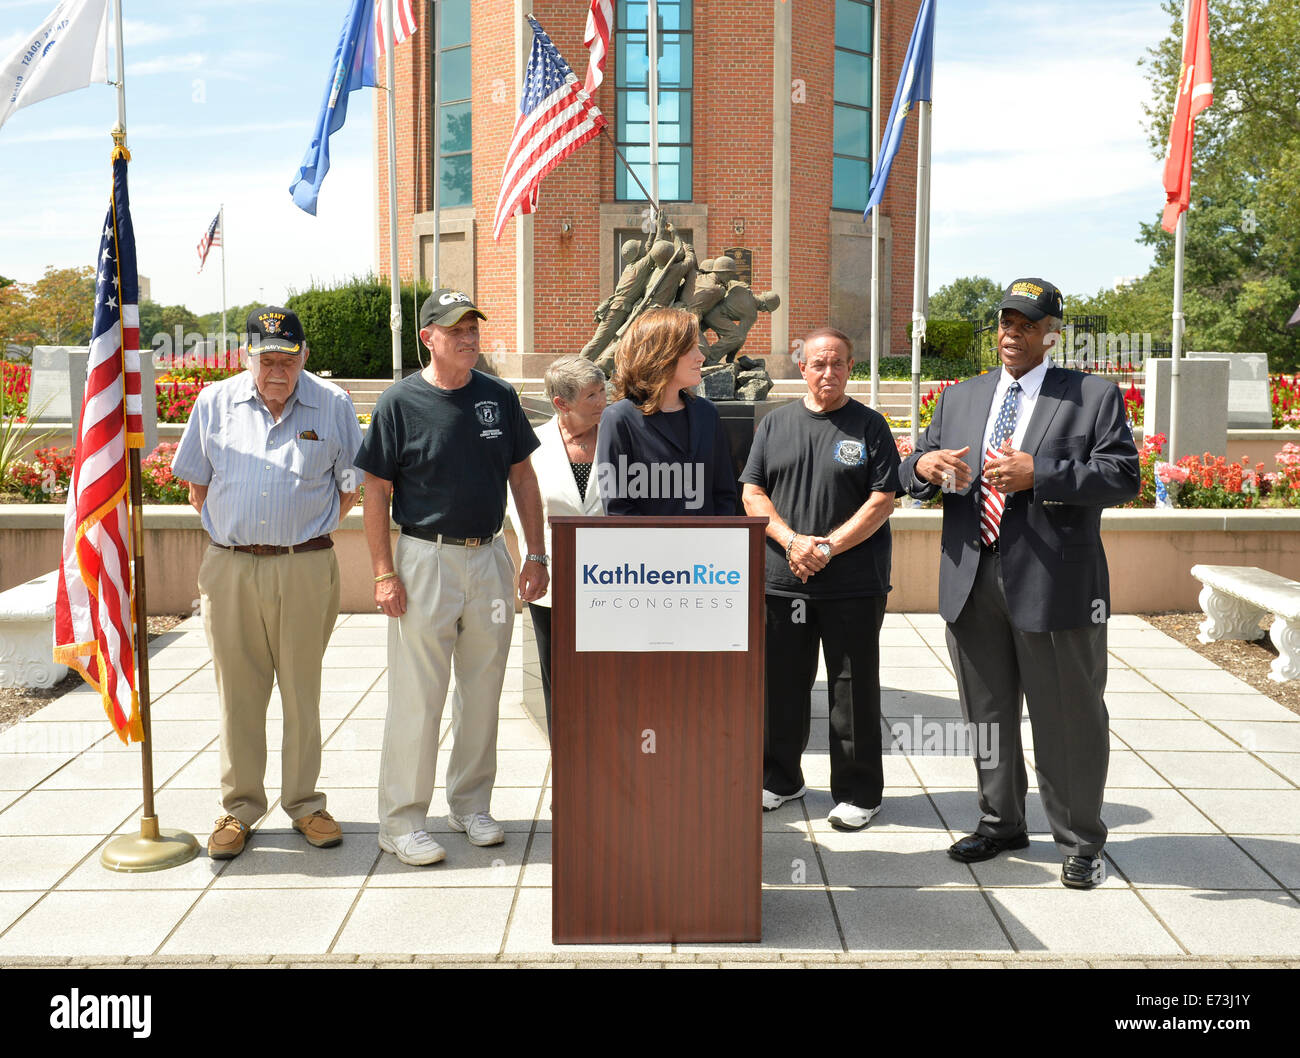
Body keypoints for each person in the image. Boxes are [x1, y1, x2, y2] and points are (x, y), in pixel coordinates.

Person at [899, 277, 1139, 890]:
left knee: (1068, 717)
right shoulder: (961, 397)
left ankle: (1081, 839)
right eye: (1006, 322)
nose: (1012, 333)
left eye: (1027, 324)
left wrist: (1044, 473)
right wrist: (924, 467)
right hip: (971, 576)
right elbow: (916, 465)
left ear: (1052, 333)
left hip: (1054, 583)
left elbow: (1121, 477)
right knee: (987, 713)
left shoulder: (1091, 396)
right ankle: (1000, 821)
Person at [355, 288, 549, 867]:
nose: (467, 338)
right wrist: (383, 572)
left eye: (473, 328)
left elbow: (523, 478)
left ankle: (470, 804)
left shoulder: (499, 397)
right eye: (455, 329)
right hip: (424, 558)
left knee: (483, 689)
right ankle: (402, 820)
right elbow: (375, 493)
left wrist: (534, 554)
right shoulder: (399, 402)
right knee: (418, 695)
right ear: (428, 337)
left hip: (488, 556)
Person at [171, 306, 362, 860]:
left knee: (303, 691)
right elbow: (197, 487)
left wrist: (309, 527)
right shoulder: (215, 403)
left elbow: (350, 484)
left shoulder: (333, 405)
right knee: (239, 693)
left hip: (305, 565)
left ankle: (304, 803)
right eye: (265, 358)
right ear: (245, 357)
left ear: (305, 356)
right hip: (229, 567)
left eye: (287, 357)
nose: (277, 370)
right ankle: (239, 809)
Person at [740, 328, 899, 829]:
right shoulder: (774, 424)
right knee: (781, 685)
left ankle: (859, 792)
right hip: (783, 581)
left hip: (852, 582)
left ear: (851, 367)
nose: (827, 373)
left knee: (852, 688)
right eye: (817, 364)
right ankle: (780, 779)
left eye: (837, 363)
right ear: (801, 367)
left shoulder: (870, 426)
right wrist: (792, 543)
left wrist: (827, 547)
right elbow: (752, 493)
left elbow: (881, 501)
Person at [510, 355, 607, 732]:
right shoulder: (533, 446)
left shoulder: (621, 435)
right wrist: (534, 561)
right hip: (554, 579)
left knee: (606, 678)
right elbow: (521, 511)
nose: (602, 401)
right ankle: (565, 761)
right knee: (559, 677)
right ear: (561, 404)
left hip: (615, 580)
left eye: (602, 391)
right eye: (591, 395)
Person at [595, 307, 737, 516]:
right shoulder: (619, 419)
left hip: (706, 545)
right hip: (646, 547)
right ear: (662, 354)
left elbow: (724, 494)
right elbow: (617, 508)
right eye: (691, 348)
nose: (701, 357)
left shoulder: (707, 413)